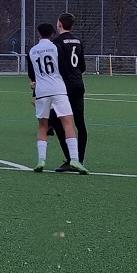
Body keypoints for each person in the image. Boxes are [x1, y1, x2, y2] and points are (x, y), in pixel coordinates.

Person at [27, 22, 88, 174]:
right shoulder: (56, 47)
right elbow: (63, 68)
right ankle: (74, 159)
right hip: (58, 89)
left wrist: (35, 83)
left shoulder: (32, 51)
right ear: (52, 34)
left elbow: (31, 74)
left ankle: (41, 160)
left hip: (42, 91)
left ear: (38, 34)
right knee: (68, 123)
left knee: (43, 126)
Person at [49, 12, 88, 172]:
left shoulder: (57, 42)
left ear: (59, 24)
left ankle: (71, 159)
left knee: (54, 120)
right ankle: (80, 160)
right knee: (80, 123)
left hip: (64, 87)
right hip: (78, 84)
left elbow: (56, 66)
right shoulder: (78, 41)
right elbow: (83, 66)